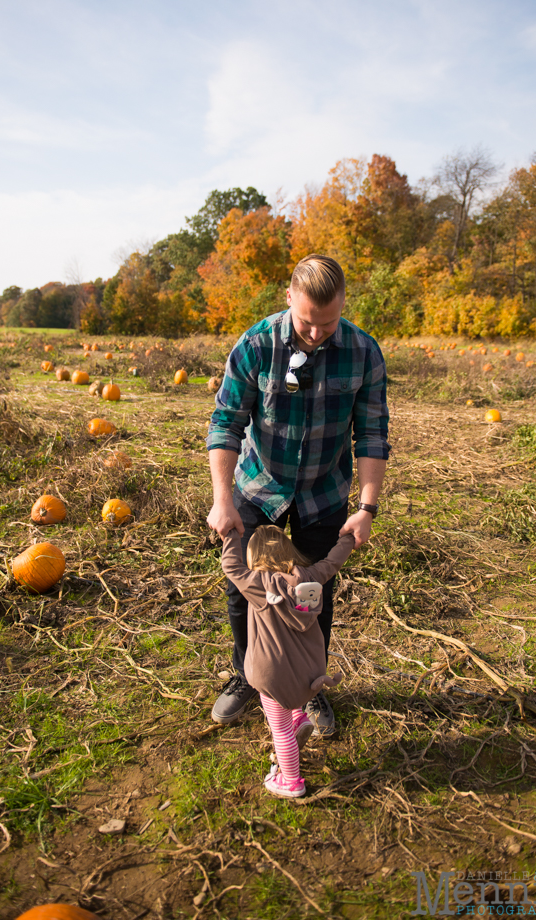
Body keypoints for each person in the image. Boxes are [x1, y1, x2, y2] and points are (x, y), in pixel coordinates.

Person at [206, 254, 389, 735]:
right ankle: (247, 675)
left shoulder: (364, 351)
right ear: (289, 298)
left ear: (344, 304)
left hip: (323, 492)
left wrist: (366, 507)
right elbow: (226, 422)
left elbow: (372, 434)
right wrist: (222, 498)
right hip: (258, 486)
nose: (316, 333)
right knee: (243, 591)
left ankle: (309, 685)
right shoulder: (256, 344)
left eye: (327, 323)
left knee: (313, 594)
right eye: (308, 321)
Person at [221, 524, 355, 797]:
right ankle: (300, 718)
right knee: (290, 710)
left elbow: (230, 566)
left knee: (279, 730)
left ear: (254, 556)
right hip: (309, 676)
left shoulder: (256, 584)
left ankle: (291, 780)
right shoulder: (310, 578)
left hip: (272, 677)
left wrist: (230, 535)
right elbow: (332, 563)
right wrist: (349, 539)